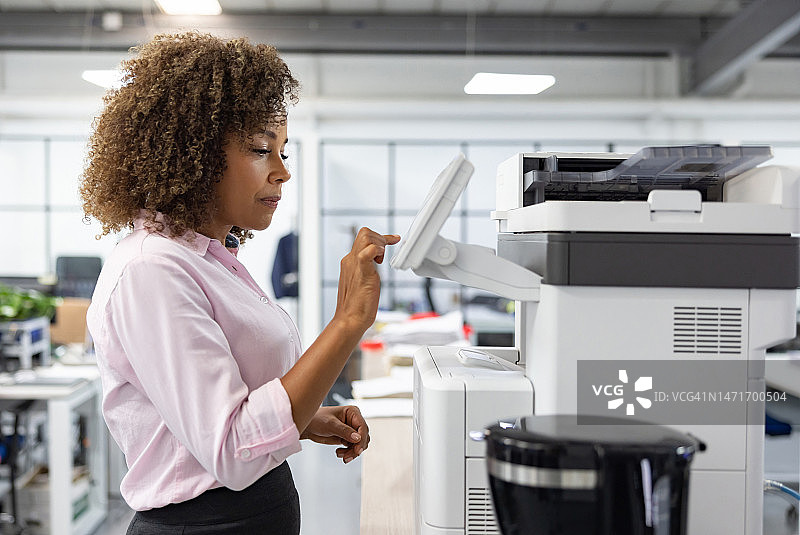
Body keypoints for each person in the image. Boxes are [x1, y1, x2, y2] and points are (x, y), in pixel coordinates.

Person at [79, 31, 400, 534]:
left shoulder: (211, 256)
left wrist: (305, 417)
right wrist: (348, 322)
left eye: (284, 152)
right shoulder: (153, 270)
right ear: (195, 154)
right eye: (260, 150)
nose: (281, 173)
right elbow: (230, 449)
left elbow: (208, 411)